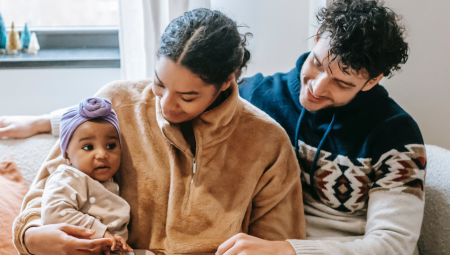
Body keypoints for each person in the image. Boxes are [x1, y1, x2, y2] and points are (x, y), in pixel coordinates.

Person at [6, 9, 307, 255]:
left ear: (226, 82)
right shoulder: (118, 103)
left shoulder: (267, 143)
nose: (166, 104)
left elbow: (276, 243)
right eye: (159, 84)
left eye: (187, 97)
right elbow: (50, 185)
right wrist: (31, 235)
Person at [216, 0, 426, 255]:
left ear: (372, 81)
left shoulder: (396, 134)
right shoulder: (258, 97)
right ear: (317, 39)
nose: (316, 88)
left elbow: (394, 245)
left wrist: (287, 251)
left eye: (341, 83)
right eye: (317, 64)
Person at [42, 97, 132, 255]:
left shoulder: (111, 181)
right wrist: (101, 232)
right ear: (67, 154)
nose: (102, 154)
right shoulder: (67, 177)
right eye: (88, 147)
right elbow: (54, 213)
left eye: (111, 146)